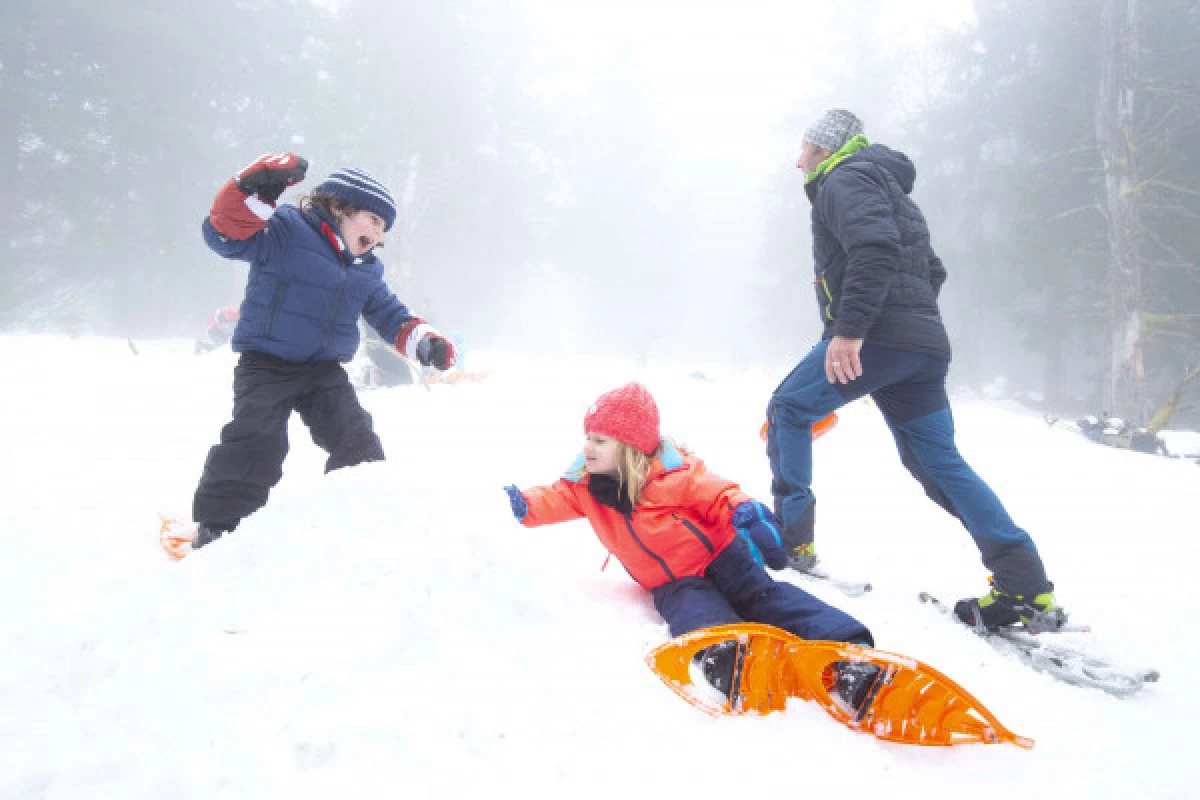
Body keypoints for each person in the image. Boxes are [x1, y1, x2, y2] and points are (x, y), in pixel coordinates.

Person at [765, 109, 1066, 631]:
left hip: (876, 337)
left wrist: (852, 329)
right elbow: (933, 270)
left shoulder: (844, 178)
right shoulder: (889, 188)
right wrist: (908, 324)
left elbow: (875, 250)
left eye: (805, 148)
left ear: (825, 149)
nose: (799, 160)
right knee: (938, 463)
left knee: (789, 407)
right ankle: (1024, 585)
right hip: (921, 345)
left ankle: (792, 543)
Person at [504, 382, 880, 707]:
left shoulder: (676, 474)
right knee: (693, 610)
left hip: (722, 556)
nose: (587, 447)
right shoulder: (585, 488)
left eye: (600, 440)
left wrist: (746, 512)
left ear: (630, 448)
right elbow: (551, 498)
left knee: (763, 595)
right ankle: (731, 658)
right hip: (673, 581)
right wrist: (523, 503)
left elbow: (719, 493)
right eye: (587, 437)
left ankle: (849, 651)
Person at [188, 153, 456, 551]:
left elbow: (389, 314)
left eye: (384, 230)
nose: (379, 236)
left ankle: (359, 517)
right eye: (376, 222)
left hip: (323, 372)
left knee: (356, 439)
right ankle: (220, 527)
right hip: (267, 362)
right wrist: (252, 189)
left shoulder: (366, 268)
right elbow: (224, 235)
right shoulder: (285, 230)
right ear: (342, 206)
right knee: (258, 441)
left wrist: (426, 342)